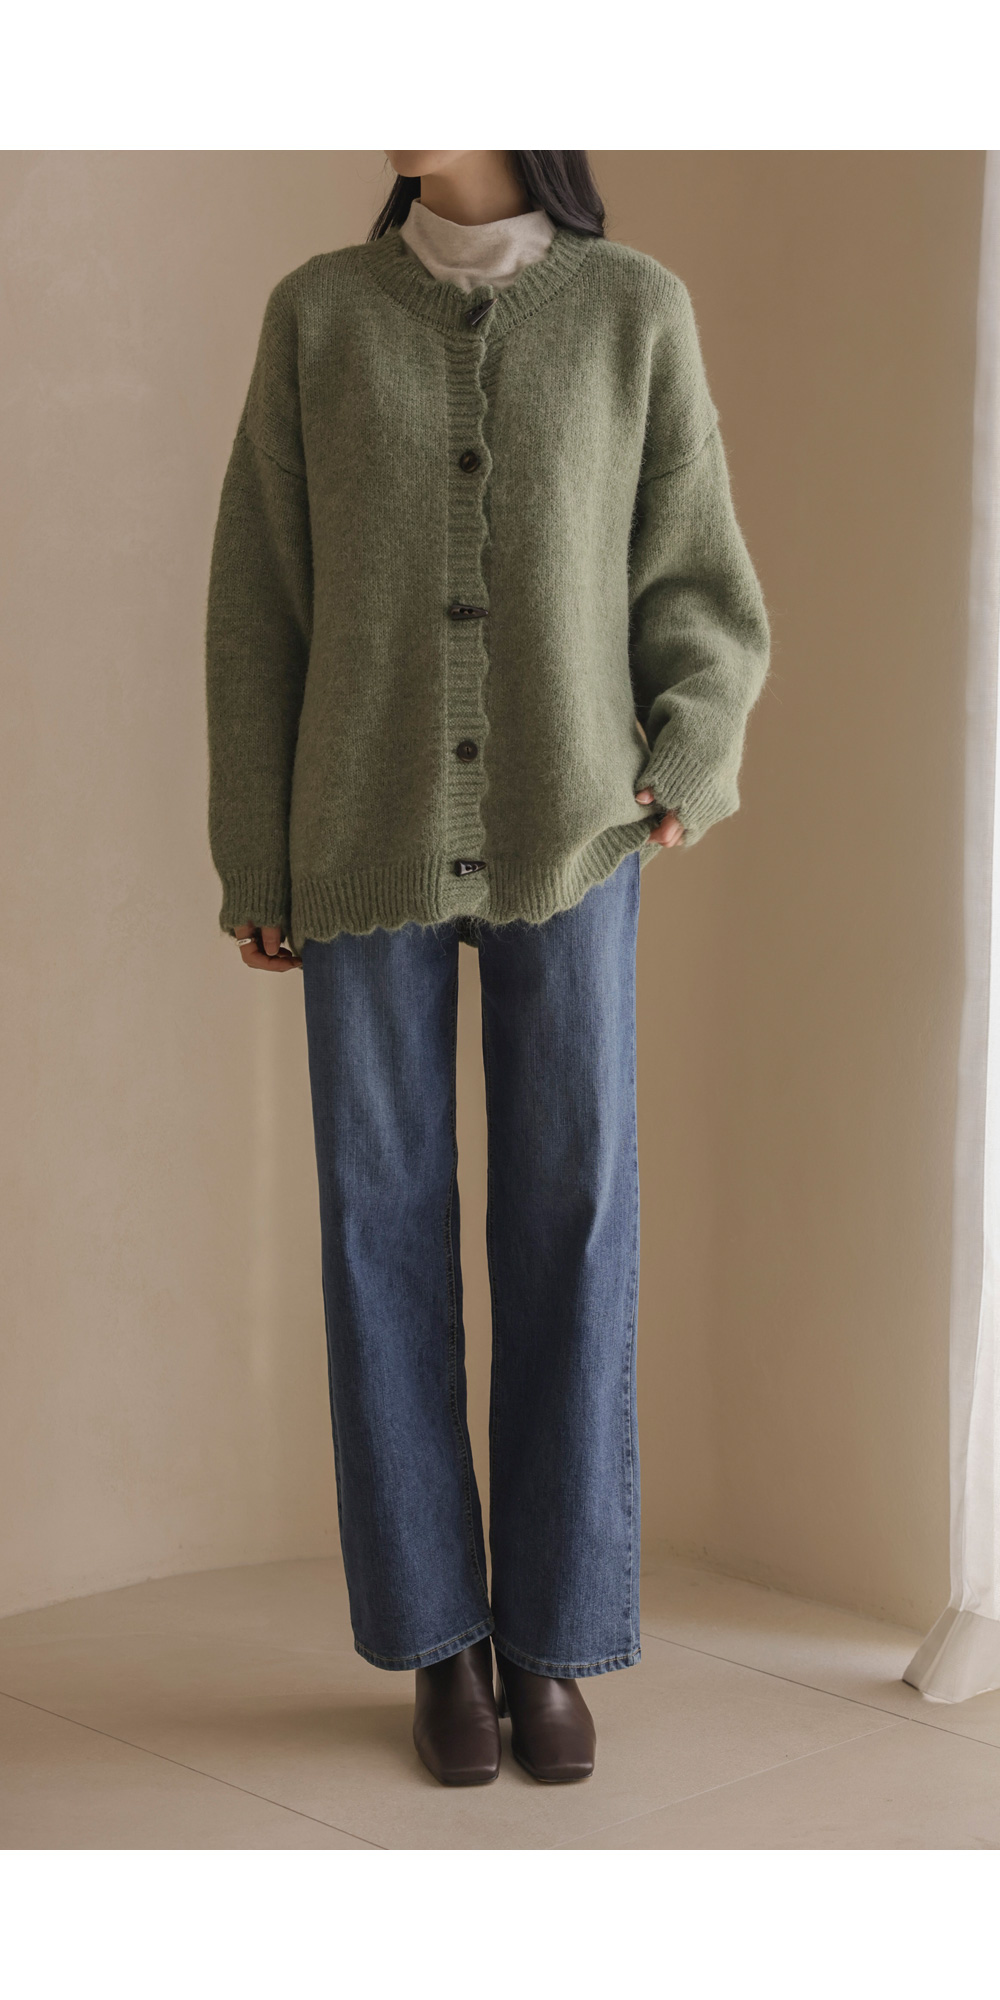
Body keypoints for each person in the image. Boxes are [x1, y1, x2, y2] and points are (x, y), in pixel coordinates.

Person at [205, 150, 769, 1787]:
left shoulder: (635, 311)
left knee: (571, 1219)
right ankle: (438, 1641)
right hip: (358, 832)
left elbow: (696, 570)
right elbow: (258, 602)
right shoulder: (317, 316)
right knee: (377, 1226)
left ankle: (555, 1638)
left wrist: (692, 749)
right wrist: (257, 851)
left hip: (573, 833)